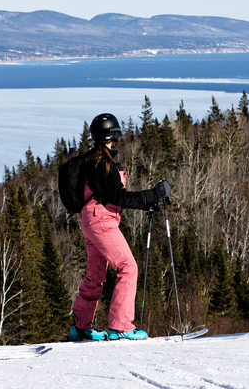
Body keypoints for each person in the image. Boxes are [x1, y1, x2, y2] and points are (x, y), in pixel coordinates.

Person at [70, 113, 172, 341]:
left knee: (95, 274)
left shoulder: (92, 159)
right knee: (128, 267)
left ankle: (81, 326)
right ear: (113, 135)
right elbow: (118, 196)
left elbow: (110, 195)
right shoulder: (103, 162)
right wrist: (151, 195)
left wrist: (148, 201)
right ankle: (121, 326)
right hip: (101, 221)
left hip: (90, 219)